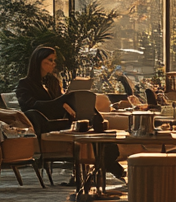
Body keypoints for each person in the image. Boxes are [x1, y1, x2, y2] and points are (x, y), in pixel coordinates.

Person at [16, 46, 124, 182]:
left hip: (62, 116)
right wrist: (62, 102)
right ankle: (109, 163)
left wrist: (65, 103)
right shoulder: (25, 84)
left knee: (91, 111)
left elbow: (61, 100)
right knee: (78, 104)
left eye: (54, 60)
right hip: (44, 121)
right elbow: (30, 105)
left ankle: (107, 159)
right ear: (38, 61)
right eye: (50, 60)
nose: (53, 63)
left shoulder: (52, 81)